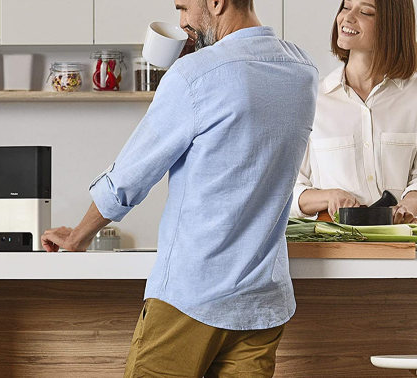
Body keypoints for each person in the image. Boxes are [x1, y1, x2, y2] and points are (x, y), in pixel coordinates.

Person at [41, 0, 318, 376]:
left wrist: (78, 236)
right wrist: (206, 52)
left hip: (191, 297)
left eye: (184, 8)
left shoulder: (195, 75)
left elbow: (129, 178)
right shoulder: (303, 71)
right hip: (261, 302)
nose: (182, 22)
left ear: (217, 2)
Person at [292, 0, 417, 224]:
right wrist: (328, 196)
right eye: (346, 7)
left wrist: (409, 203)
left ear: (393, 25)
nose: (347, 18)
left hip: (404, 250)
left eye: (366, 12)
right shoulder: (313, 100)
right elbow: (286, 191)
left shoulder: (413, 97)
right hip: (335, 251)